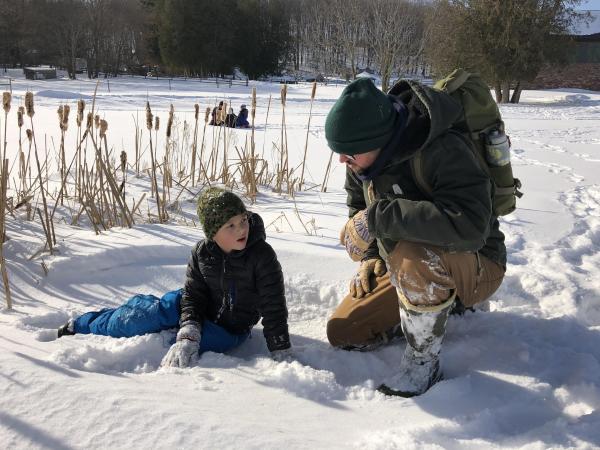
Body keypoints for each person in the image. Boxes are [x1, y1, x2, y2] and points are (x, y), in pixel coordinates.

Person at [324, 78, 506, 397]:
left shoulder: (443, 149)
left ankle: (423, 362)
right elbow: (359, 206)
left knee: (414, 254)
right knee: (346, 331)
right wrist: (371, 258)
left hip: (479, 264)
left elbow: (472, 227)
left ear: (378, 140)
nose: (343, 160)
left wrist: (380, 217)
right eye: (339, 152)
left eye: (349, 152)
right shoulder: (362, 163)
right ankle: (437, 304)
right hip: (405, 267)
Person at [57, 188, 291, 367]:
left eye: (243, 221)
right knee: (138, 320)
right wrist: (189, 329)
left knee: (168, 340)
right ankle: (83, 323)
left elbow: (273, 305)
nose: (241, 229)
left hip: (229, 330)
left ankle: (170, 334)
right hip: (188, 306)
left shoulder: (262, 256)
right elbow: (193, 295)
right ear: (213, 233)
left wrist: (280, 347)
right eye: (230, 225)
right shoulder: (202, 252)